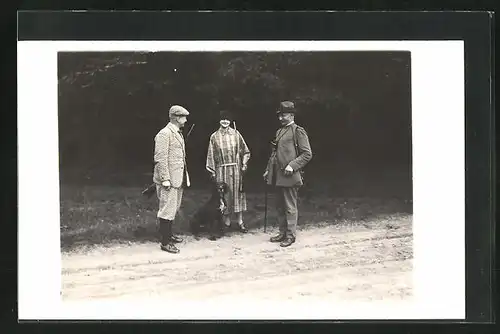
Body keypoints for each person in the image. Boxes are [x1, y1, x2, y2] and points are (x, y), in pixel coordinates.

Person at [263, 101, 312, 247]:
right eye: (279, 115)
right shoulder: (279, 132)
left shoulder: (298, 131)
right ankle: (282, 232)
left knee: (290, 206)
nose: (280, 118)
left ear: (291, 115)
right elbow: (274, 154)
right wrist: (268, 170)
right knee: (280, 206)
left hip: (290, 175)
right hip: (278, 175)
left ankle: (291, 235)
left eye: (283, 115)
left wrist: (292, 165)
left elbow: (307, 154)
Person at [153, 105, 191, 254]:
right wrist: (165, 179)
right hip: (168, 179)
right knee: (166, 210)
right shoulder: (164, 134)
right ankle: (165, 242)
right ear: (176, 118)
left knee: (173, 208)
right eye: (183, 117)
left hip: (178, 178)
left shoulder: (177, 133)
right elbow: (160, 158)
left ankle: (169, 235)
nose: (186, 120)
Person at [206, 110, 251, 233]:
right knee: (224, 196)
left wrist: (244, 163)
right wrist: (213, 171)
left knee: (238, 194)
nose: (225, 121)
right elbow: (211, 155)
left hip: (236, 170)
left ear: (230, 121)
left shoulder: (236, 134)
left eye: (227, 119)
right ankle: (227, 222)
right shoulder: (214, 136)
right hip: (222, 170)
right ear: (219, 121)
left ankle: (240, 222)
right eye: (222, 119)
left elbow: (245, 151)